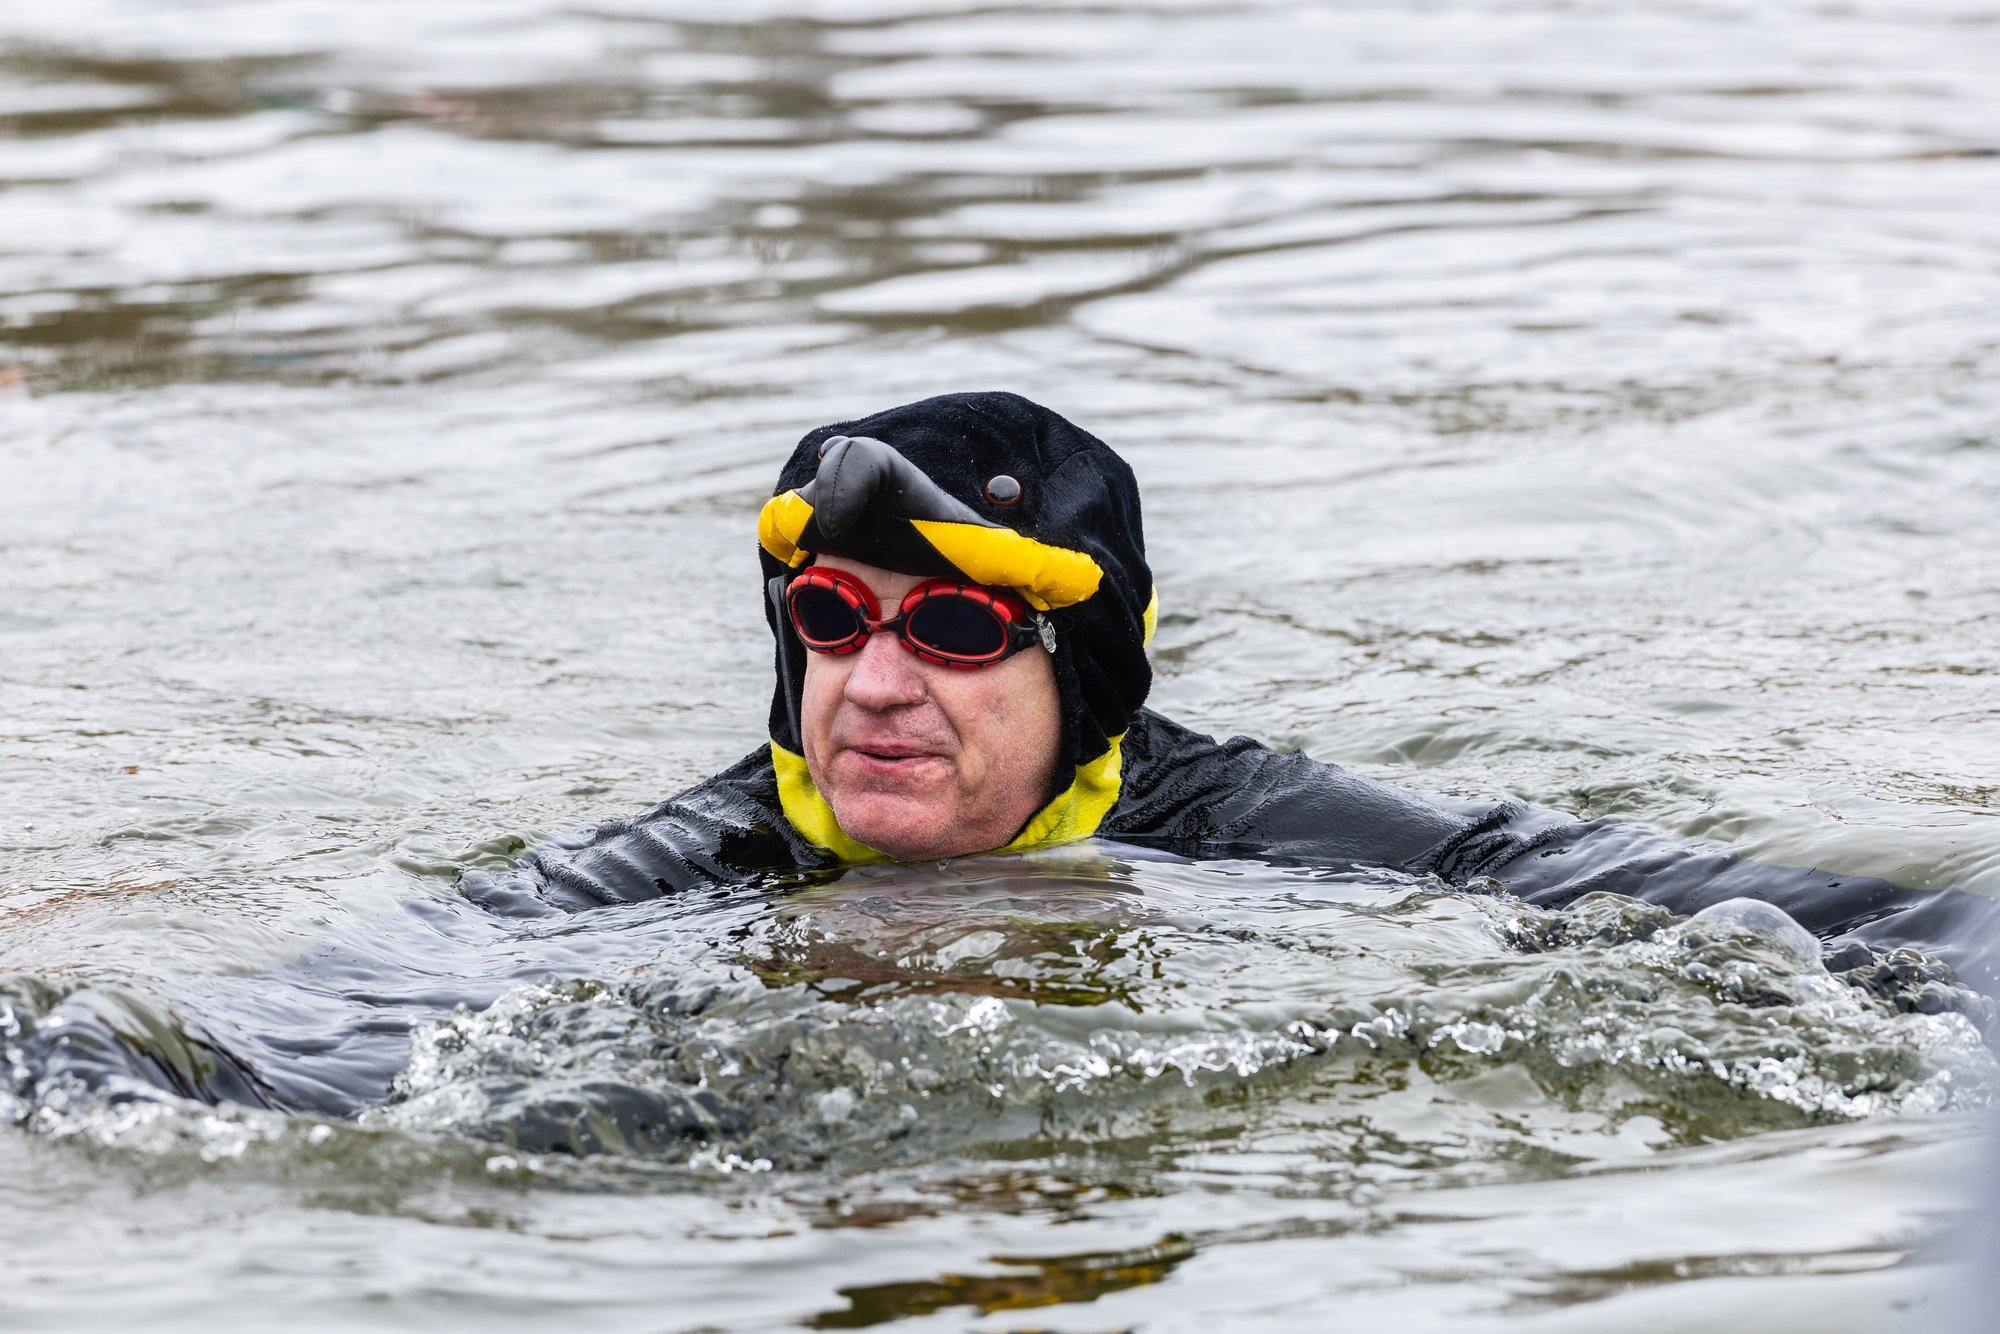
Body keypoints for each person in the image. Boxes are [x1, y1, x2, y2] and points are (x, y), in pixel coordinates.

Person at [465, 391, 1998, 1001]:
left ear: (1079, 673)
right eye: (829, 619)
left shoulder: (1222, 819)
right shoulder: (691, 862)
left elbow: (1565, 875)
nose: (871, 682)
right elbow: (374, 1001)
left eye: (944, 625)